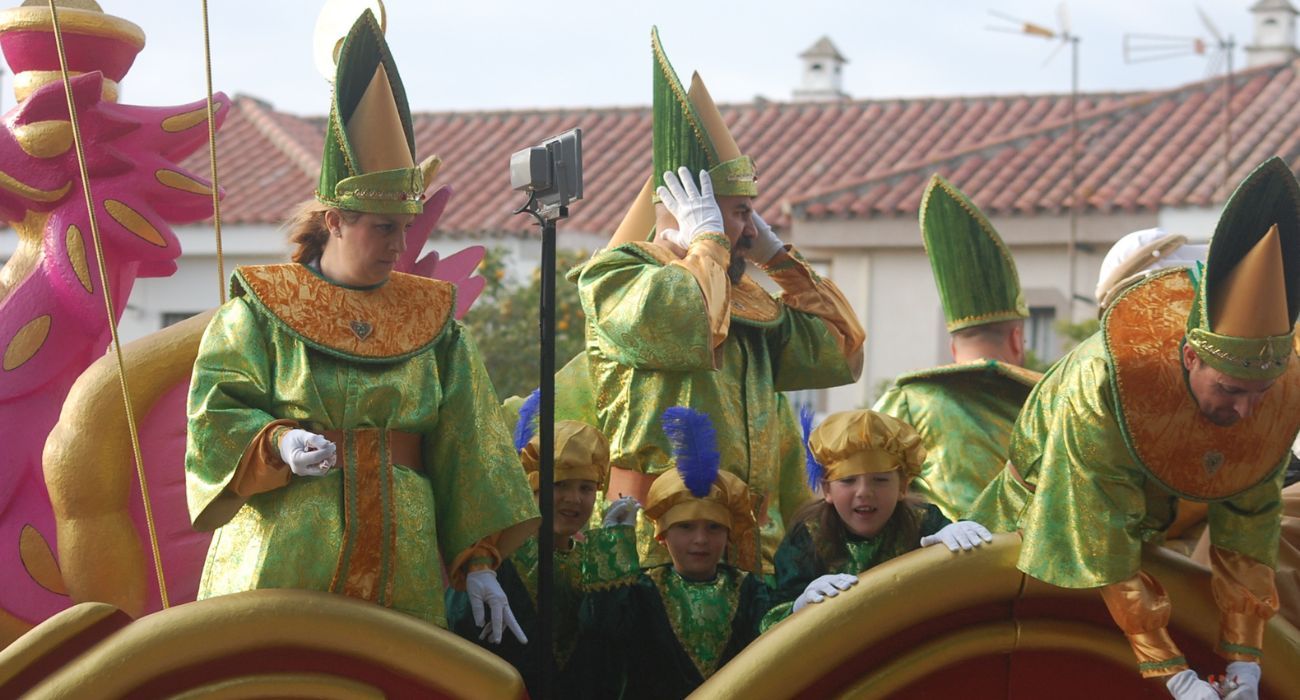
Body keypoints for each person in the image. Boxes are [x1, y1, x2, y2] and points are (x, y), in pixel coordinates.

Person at [184, 9, 538, 634]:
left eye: (404, 228)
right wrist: (279, 444)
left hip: (404, 567)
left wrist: (479, 559)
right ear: (335, 220)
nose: (399, 245)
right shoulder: (261, 312)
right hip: (286, 556)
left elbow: (472, 442)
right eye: (383, 228)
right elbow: (215, 413)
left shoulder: (433, 322)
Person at [967, 157, 1300, 698]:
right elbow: (1095, 534)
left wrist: (1245, 658)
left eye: (1259, 395)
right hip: (1040, 536)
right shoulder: (1105, 382)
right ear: (1190, 357)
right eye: (1232, 392)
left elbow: (1249, 526)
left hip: (1156, 550)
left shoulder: (1278, 395)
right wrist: (1173, 673)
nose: (1245, 413)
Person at [575, 27, 866, 574]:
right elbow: (683, 325)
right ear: (687, 212)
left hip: (748, 544)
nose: (748, 231)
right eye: (738, 213)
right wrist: (707, 241)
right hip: (652, 539)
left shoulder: (744, 294)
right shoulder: (617, 275)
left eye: (747, 215)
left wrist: (783, 263)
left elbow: (839, 352)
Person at [447, 391, 639, 697]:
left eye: (586, 488)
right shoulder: (496, 559)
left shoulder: (593, 562)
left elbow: (613, 653)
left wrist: (613, 556)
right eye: (559, 485)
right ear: (533, 487)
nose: (573, 499)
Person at [873, 176, 1041, 521]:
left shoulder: (908, 401)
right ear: (1015, 339)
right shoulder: (1051, 402)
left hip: (939, 568)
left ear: (952, 347)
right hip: (1036, 572)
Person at [581, 406, 771, 699]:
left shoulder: (749, 591)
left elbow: (774, 633)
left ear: (729, 535)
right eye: (685, 527)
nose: (700, 540)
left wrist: (802, 606)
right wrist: (613, 548)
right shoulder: (643, 592)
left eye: (713, 527)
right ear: (662, 535)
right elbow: (602, 630)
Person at [762, 409, 991, 630]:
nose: (864, 492)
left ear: (902, 485)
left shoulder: (924, 522)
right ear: (827, 490)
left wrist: (955, 544)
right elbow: (768, 619)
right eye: (848, 480)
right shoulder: (807, 536)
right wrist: (798, 606)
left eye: (880, 480)